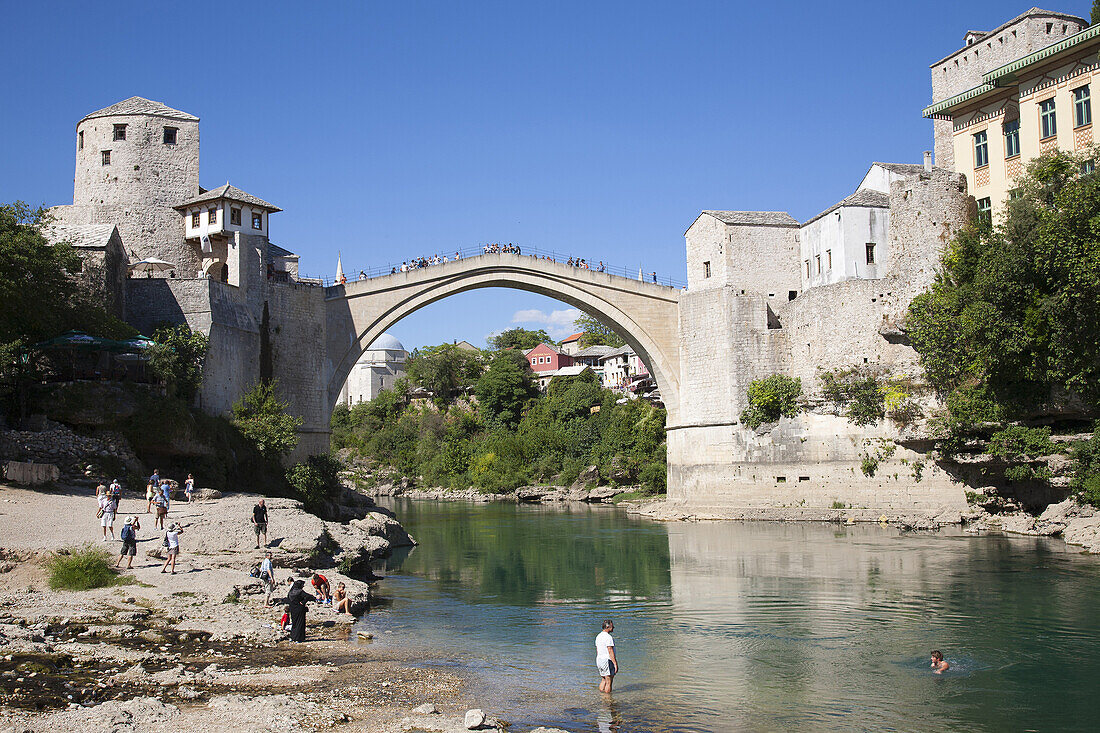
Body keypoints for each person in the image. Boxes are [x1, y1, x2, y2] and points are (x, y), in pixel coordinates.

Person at [596, 619, 618, 693]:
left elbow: (597, 650)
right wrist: (615, 663)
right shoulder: (608, 637)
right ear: (608, 627)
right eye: (612, 626)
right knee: (609, 681)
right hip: (607, 660)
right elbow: (610, 650)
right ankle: (608, 700)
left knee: (604, 679)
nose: (613, 628)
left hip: (599, 660)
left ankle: (602, 696)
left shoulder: (598, 636)